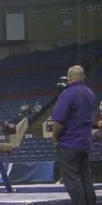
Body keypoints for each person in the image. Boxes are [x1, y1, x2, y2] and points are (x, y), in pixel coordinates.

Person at [51, 65, 96, 205]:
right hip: (85, 143)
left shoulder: (67, 94)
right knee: (85, 177)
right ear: (83, 77)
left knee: (72, 179)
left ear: (69, 78)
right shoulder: (90, 93)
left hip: (69, 143)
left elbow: (59, 122)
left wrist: (55, 138)